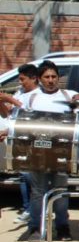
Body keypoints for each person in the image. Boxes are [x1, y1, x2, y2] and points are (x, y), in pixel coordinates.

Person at [11, 60, 79, 242]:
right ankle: (36, 228)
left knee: (60, 192)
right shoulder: (32, 97)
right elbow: (16, 117)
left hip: (61, 154)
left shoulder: (69, 95)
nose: (51, 80)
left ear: (59, 77)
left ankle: (62, 227)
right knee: (38, 192)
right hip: (37, 153)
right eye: (46, 77)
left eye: (54, 76)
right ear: (40, 79)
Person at [0, 64, 40, 225]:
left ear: (33, 78)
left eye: (23, 79)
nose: (20, 82)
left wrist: (10, 99)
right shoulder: (21, 93)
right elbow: (8, 115)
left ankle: (33, 210)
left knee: (30, 176)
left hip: (30, 139)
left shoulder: (38, 95)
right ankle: (28, 209)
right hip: (16, 137)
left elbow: (32, 113)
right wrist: (2, 103)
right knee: (23, 175)